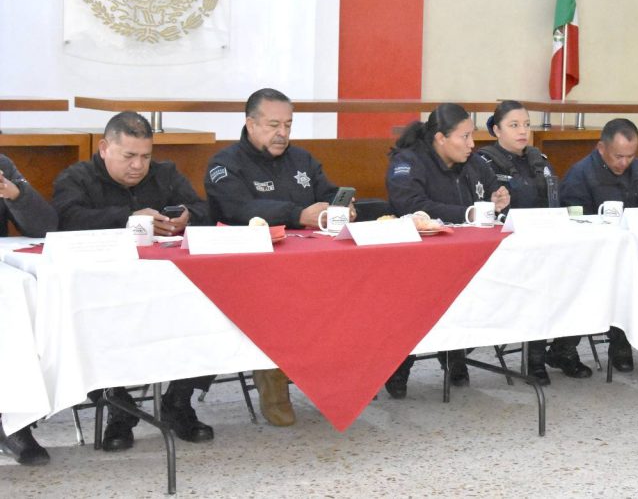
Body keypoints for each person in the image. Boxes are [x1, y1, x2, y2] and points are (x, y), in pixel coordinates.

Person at [51, 112, 214, 451]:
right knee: (77, 320)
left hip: (166, 287)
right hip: (101, 292)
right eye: (129, 156)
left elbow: (204, 209)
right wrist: (127, 220)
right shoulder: (76, 178)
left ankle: (178, 400)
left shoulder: (165, 174)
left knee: (216, 303)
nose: (138, 165)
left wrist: (188, 217)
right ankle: (118, 407)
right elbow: (65, 220)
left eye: (145, 156)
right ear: (104, 148)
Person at [205, 88, 354, 426]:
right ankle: (273, 377)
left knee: (351, 293)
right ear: (250, 124)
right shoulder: (225, 164)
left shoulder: (302, 160)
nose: (282, 133)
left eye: (288, 125)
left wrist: (340, 206)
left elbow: (327, 191)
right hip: (251, 271)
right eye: (273, 125)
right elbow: (238, 208)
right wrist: (298, 213)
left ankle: (336, 380)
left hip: (312, 264)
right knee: (277, 303)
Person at [384, 103, 510, 398]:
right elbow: (409, 205)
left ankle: (455, 352)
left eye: (472, 135)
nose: (472, 144)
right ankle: (400, 364)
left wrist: (499, 199)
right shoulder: (409, 162)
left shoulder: (474, 163)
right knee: (419, 304)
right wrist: (467, 213)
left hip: (468, 257)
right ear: (440, 138)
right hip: (417, 261)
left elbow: (492, 194)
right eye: (464, 137)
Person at [477, 101, 592, 385]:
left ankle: (564, 349)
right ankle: (534, 358)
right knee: (541, 282)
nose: (523, 131)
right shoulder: (484, 163)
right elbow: (482, 209)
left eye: (527, 125)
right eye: (514, 125)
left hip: (548, 243)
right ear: (496, 130)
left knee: (586, 273)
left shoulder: (539, 159)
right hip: (508, 249)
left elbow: (555, 201)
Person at [560, 118, 638, 372]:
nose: (624, 163)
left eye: (630, 156)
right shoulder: (580, 175)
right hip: (599, 258)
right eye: (618, 156)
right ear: (601, 148)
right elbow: (575, 222)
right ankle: (618, 341)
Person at [0, 155, 58, 466]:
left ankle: (12, 422)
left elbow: (44, 226)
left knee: (21, 297)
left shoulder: (3, 165)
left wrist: (15, 194)